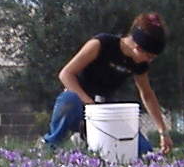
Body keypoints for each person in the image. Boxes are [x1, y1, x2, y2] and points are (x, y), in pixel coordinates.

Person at [42, 11, 174, 155]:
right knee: (70, 101)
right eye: (149, 56)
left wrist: (163, 132)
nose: (149, 61)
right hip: (79, 101)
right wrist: (89, 104)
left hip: (105, 109)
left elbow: (147, 95)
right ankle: (50, 146)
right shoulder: (102, 43)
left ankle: (89, 140)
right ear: (137, 47)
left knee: (143, 152)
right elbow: (66, 74)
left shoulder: (139, 64)